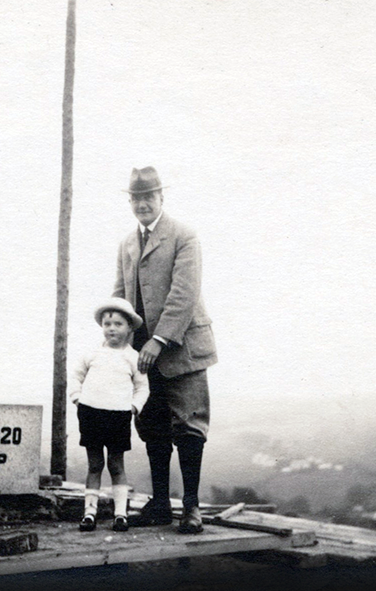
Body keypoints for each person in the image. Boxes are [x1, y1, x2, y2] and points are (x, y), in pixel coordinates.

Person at [113, 166, 217, 534]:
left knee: (189, 428)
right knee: (152, 427)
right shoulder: (127, 243)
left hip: (182, 350)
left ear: (161, 198)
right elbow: (120, 295)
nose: (142, 204)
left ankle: (191, 508)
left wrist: (159, 340)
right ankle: (159, 504)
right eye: (136, 198)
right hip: (141, 353)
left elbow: (184, 293)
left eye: (149, 197)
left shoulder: (184, 236)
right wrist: (115, 337)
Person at [68, 298, 150, 533]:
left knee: (116, 465)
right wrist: (77, 397)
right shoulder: (92, 354)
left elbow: (142, 387)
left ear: (129, 328)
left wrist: (134, 407)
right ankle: (89, 514)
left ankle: (120, 515)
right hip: (91, 413)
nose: (112, 328)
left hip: (118, 417)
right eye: (107, 323)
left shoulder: (133, 357)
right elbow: (76, 376)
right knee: (95, 465)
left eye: (118, 324)